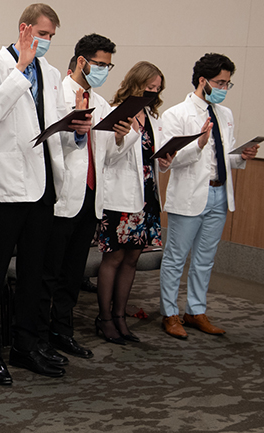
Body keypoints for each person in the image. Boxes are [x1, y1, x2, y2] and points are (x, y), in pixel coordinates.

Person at [0, 3, 90, 385]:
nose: (46, 43)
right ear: (24, 29)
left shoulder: (53, 73)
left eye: (51, 38)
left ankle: (25, 346)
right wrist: (21, 67)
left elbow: (54, 125)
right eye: (42, 35)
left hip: (43, 183)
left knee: (34, 272)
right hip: (7, 185)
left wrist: (77, 130)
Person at [40, 33, 131, 361]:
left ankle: (62, 331)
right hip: (63, 197)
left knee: (73, 273)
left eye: (108, 65)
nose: (104, 70)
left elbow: (108, 157)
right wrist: (77, 131)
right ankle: (40, 336)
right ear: (81, 61)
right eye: (99, 64)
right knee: (49, 272)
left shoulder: (102, 102)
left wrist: (122, 138)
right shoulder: (58, 95)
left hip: (91, 198)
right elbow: (52, 147)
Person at [159, 53, 258, 339]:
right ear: (203, 81)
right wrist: (199, 144)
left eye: (228, 83)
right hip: (190, 196)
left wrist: (242, 155)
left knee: (205, 259)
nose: (224, 88)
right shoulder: (176, 114)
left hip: (218, 194)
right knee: (176, 258)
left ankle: (195, 310)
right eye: (220, 82)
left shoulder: (224, 114)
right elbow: (169, 160)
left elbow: (225, 157)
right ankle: (169, 314)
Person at [95, 61, 166, 344]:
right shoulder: (117, 113)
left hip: (146, 198)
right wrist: (124, 135)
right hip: (120, 198)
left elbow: (151, 156)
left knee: (133, 258)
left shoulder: (152, 116)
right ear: (135, 84)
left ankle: (122, 315)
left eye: (157, 90)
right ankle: (104, 318)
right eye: (149, 88)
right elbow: (108, 157)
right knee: (113, 257)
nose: (152, 93)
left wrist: (164, 159)